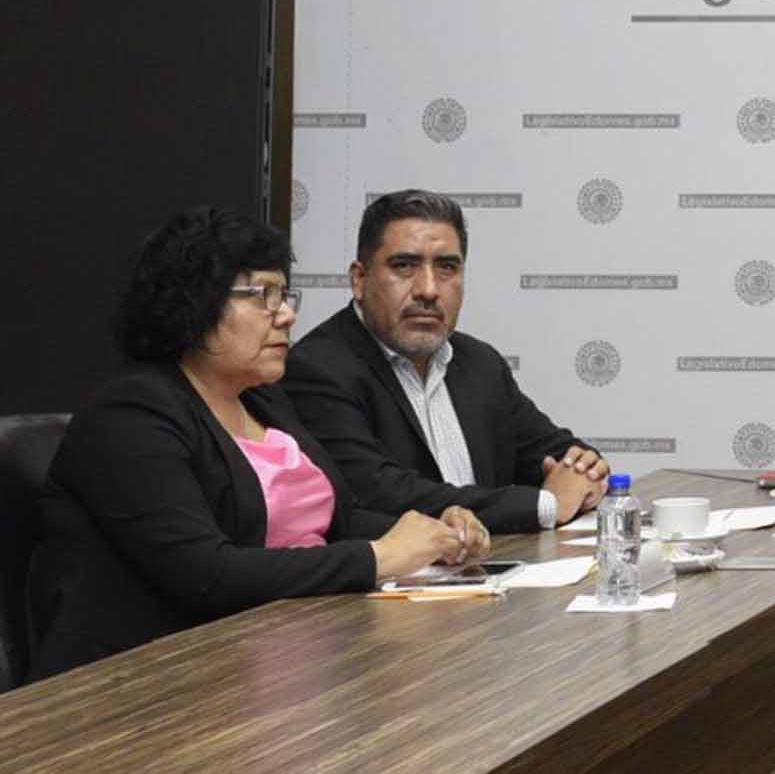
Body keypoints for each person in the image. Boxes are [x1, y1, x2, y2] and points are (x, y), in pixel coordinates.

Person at [29, 208, 482, 680]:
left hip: (279, 655)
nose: (287, 315)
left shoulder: (264, 401)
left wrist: (432, 535)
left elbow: (339, 522)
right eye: (263, 295)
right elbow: (207, 574)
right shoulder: (130, 415)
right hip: (144, 685)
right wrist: (378, 558)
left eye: (284, 295)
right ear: (195, 303)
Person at [283, 190, 608, 533]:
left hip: (497, 563)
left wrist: (585, 472)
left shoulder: (479, 363)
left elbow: (557, 452)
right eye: (404, 266)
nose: (428, 290)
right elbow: (378, 493)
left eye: (446, 268)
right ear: (359, 280)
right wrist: (546, 505)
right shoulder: (317, 369)